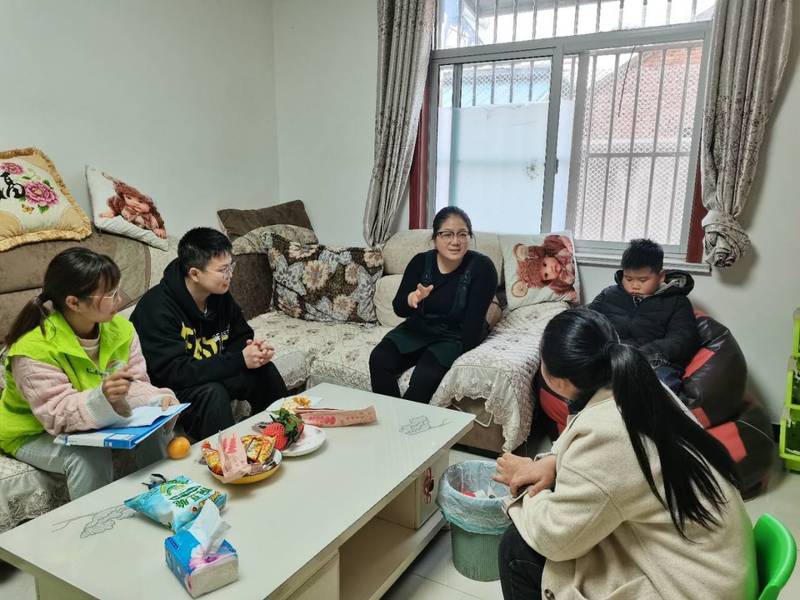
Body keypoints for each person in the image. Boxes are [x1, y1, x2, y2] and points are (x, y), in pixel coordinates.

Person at [494, 308, 754, 600]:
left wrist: (526, 490)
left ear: (559, 383)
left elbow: (554, 538)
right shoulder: (638, 385)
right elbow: (592, 449)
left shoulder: (606, 434)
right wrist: (552, 462)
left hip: (694, 587)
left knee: (517, 549)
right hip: (715, 566)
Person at [0, 248, 177, 500]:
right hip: (33, 432)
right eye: (110, 294)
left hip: (94, 417)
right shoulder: (32, 350)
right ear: (74, 303)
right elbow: (57, 415)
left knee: (153, 428)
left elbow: (136, 383)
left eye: (117, 289)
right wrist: (104, 397)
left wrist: (157, 400)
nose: (119, 299)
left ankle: (168, 499)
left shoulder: (121, 329)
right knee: (87, 454)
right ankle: (94, 522)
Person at [131, 227, 288, 440]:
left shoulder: (218, 294)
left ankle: (284, 433)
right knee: (212, 392)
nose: (230, 275)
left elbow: (240, 335)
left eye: (231, 266)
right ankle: (228, 455)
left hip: (209, 372)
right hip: (170, 390)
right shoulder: (156, 308)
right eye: (223, 270)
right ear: (195, 273)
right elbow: (174, 372)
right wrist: (238, 360)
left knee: (263, 370)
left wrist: (253, 352)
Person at [369, 207, 498, 403]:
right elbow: (399, 308)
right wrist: (411, 299)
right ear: (435, 238)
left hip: (453, 336)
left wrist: (453, 357)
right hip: (417, 329)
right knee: (379, 358)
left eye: (462, 234)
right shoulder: (420, 262)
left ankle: (405, 421)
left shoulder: (482, 268)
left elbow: (472, 325)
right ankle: (389, 417)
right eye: (447, 234)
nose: (455, 241)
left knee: (425, 376)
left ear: (469, 237)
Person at [586, 238, 700, 393]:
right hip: (610, 357)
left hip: (653, 363)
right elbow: (586, 320)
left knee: (662, 387)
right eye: (628, 279)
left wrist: (647, 353)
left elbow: (683, 338)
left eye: (643, 280)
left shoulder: (677, 302)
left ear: (661, 276)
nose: (634, 285)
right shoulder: (609, 294)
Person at [511, 234, 577, 303]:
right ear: (546, 281)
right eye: (546, 275)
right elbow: (565, 290)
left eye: (545, 264)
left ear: (545, 256)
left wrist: (567, 243)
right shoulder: (557, 284)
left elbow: (561, 238)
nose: (550, 270)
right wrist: (571, 294)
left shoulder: (553, 247)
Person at [100, 176, 167, 239]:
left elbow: (160, 222)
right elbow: (116, 207)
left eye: (140, 201)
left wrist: (160, 229)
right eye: (129, 198)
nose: (134, 203)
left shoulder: (152, 215)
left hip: (144, 227)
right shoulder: (123, 204)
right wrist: (112, 212)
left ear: (149, 206)